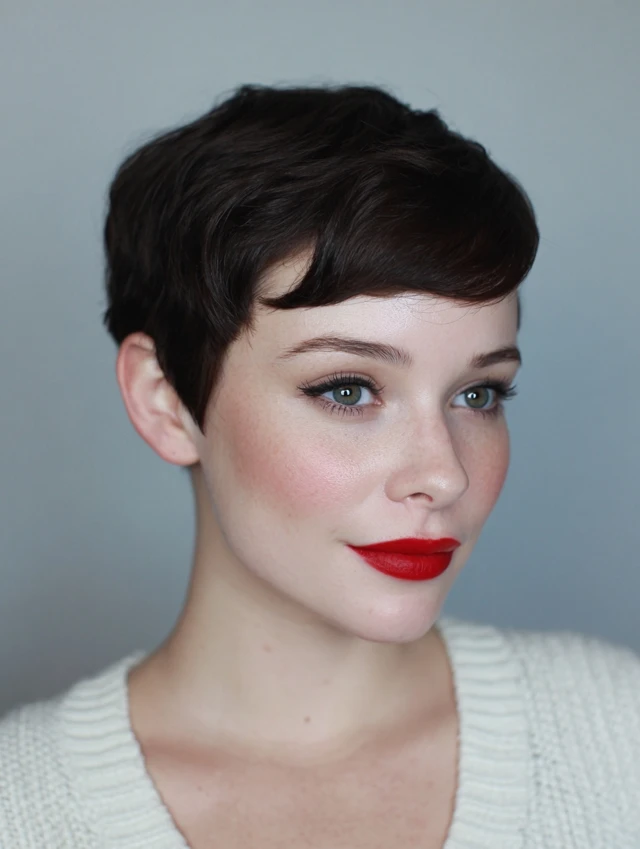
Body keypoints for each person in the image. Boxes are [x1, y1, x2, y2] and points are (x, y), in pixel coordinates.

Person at [1, 83, 639, 849]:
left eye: (478, 393)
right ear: (165, 400)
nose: (444, 475)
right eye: (347, 389)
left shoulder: (618, 734)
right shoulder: (20, 808)